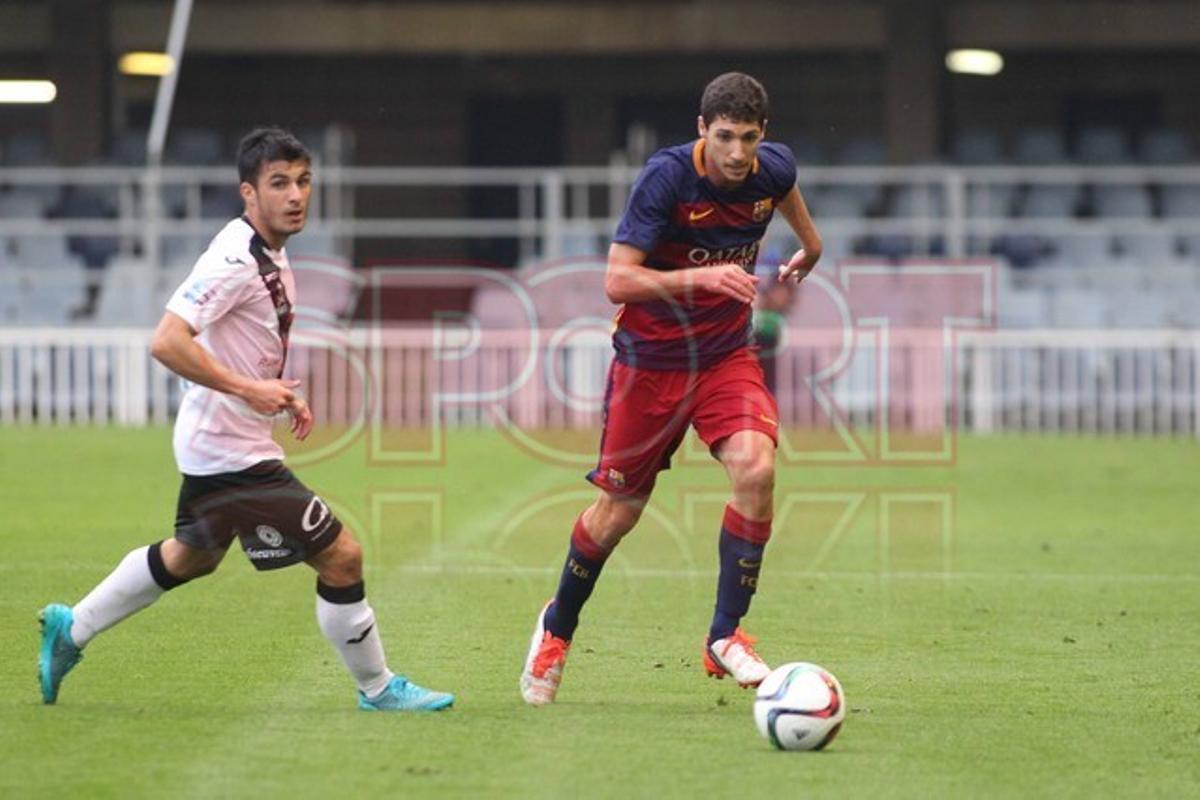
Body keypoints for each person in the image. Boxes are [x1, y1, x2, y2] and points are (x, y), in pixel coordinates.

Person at [38, 127, 454, 712]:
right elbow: (167, 342)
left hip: (223, 440)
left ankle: (71, 628)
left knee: (193, 557)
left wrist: (277, 393)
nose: (295, 195)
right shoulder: (234, 259)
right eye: (279, 183)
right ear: (248, 194)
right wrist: (247, 389)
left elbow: (246, 344)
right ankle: (378, 687)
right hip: (230, 455)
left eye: (304, 181)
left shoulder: (269, 252)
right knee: (343, 555)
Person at [520, 72, 822, 705]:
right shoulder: (666, 179)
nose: (737, 153)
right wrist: (704, 280)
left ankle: (725, 634)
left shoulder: (772, 168)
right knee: (618, 515)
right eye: (723, 138)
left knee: (756, 466)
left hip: (723, 358)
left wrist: (811, 246)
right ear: (701, 131)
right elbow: (617, 282)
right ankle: (556, 629)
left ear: (763, 135)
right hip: (650, 364)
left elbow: (786, 190)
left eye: (747, 138)